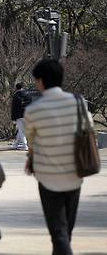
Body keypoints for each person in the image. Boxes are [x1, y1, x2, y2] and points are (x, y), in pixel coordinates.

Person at [24, 59, 93, 255]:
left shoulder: (33, 110)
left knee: (59, 233)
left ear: (41, 81)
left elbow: (32, 143)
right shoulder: (79, 103)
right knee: (65, 232)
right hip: (75, 175)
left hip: (47, 178)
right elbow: (88, 130)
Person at [11, 83, 31, 150]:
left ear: (16, 88)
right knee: (21, 130)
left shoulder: (16, 95)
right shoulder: (27, 94)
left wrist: (13, 117)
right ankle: (15, 144)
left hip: (19, 115)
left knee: (21, 130)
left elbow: (13, 107)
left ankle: (25, 145)